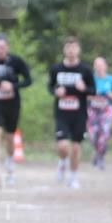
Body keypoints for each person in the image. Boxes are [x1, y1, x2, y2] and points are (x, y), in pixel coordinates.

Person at [48, 36, 95, 189]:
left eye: (74, 47)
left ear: (79, 50)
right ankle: (62, 162)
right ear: (64, 50)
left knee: (75, 147)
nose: (71, 50)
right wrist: (56, 91)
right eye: (68, 47)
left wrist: (84, 89)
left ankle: (74, 177)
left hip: (79, 114)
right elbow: (50, 87)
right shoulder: (56, 68)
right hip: (62, 113)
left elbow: (93, 90)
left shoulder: (85, 69)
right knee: (62, 146)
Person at [0, 33, 32, 187]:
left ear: (7, 47)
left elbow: (28, 80)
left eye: (2, 47)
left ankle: (10, 167)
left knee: (10, 137)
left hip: (12, 104)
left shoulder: (16, 61)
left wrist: (13, 86)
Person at [86, 56, 112, 169]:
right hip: (92, 108)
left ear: (105, 66)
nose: (99, 67)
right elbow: (85, 94)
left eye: (101, 65)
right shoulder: (90, 79)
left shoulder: (111, 79)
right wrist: (93, 95)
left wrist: (109, 94)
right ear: (94, 67)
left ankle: (100, 158)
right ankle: (98, 152)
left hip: (106, 108)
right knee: (93, 134)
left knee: (104, 133)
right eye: (97, 65)